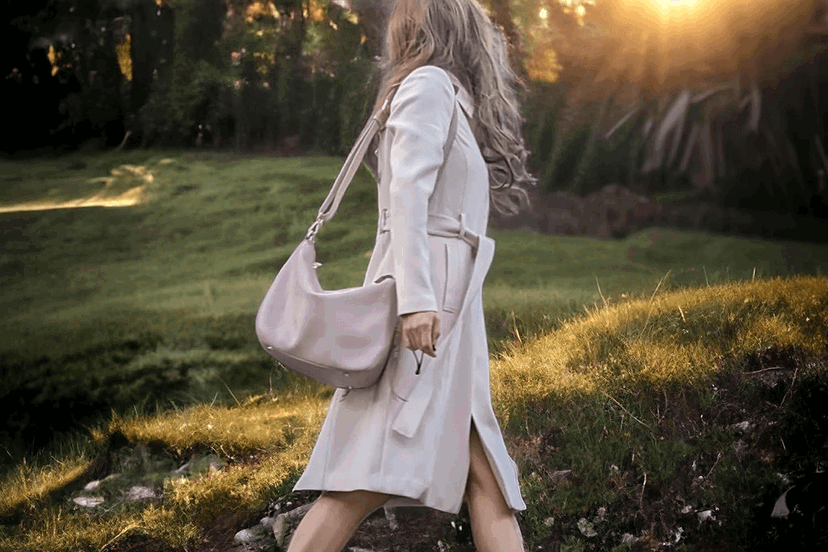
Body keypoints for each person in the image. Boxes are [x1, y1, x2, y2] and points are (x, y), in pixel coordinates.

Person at [287, 1, 537, 551]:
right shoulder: (427, 84)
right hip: (429, 301)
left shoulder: (445, 93)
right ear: (460, 27)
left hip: (452, 304)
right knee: (359, 475)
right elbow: (407, 194)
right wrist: (416, 302)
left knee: (483, 473)